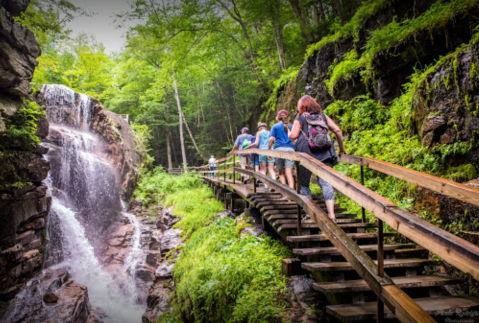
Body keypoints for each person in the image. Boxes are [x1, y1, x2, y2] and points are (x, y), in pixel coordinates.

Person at [288, 95, 346, 222]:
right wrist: (341, 149)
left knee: (304, 184)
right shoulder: (323, 117)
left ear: (303, 106)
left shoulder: (300, 117)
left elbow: (293, 135)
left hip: (306, 155)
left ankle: (310, 213)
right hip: (325, 153)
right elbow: (337, 130)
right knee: (326, 183)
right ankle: (332, 215)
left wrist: (288, 132)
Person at [268, 110, 295, 189]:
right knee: (289, 173)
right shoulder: (291, 126)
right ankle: (292, 193)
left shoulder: (275, 126)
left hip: (279, 150)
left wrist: (269, 151)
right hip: (290, 149)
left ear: (277, 117)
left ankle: (285, 194)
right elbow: (295, 139)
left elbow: (271, 140)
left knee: (281, 173)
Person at [247, 122, 276, 191]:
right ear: (266, 128)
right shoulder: (270, 132)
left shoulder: (259, 133)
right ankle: (274, 186)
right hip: (270, 151)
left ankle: (266, 187)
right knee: (271, 169)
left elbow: (256, 143)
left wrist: (249, 146)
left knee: (263, 170)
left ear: (259, 128)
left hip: (262, 151)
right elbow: (274, 141)